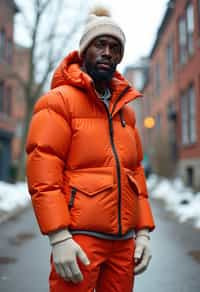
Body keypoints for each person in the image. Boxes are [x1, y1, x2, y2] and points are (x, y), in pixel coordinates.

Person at [26, 14, 155, 292]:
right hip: (79, 240)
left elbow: (135, 173)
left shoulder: (127, 113)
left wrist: (143, 232)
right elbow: (43, 171)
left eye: (115, 47)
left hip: (124, 245)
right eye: (100, 44)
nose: (107, 52)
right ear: (84, 51)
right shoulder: (58, 102)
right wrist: (59, 237)